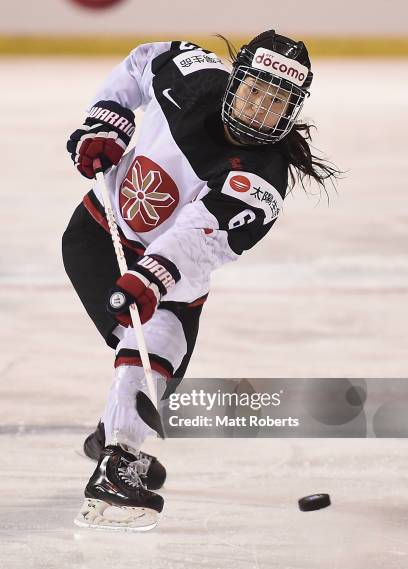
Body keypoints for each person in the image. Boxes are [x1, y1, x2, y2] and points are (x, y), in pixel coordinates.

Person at [63, 29, 339, 531]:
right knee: (155, 350)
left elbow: (198, 238)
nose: (261, 109)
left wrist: (151, 276)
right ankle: (118, 460)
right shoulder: (192, 75)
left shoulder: (261, 178)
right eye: (256, 90)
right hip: (96, 237)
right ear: (236, 81)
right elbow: (140, 62)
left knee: (155, 365)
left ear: (292, 110)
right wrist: (106, 121)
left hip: (168, 271)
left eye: (277, 102)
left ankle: (110, 438)